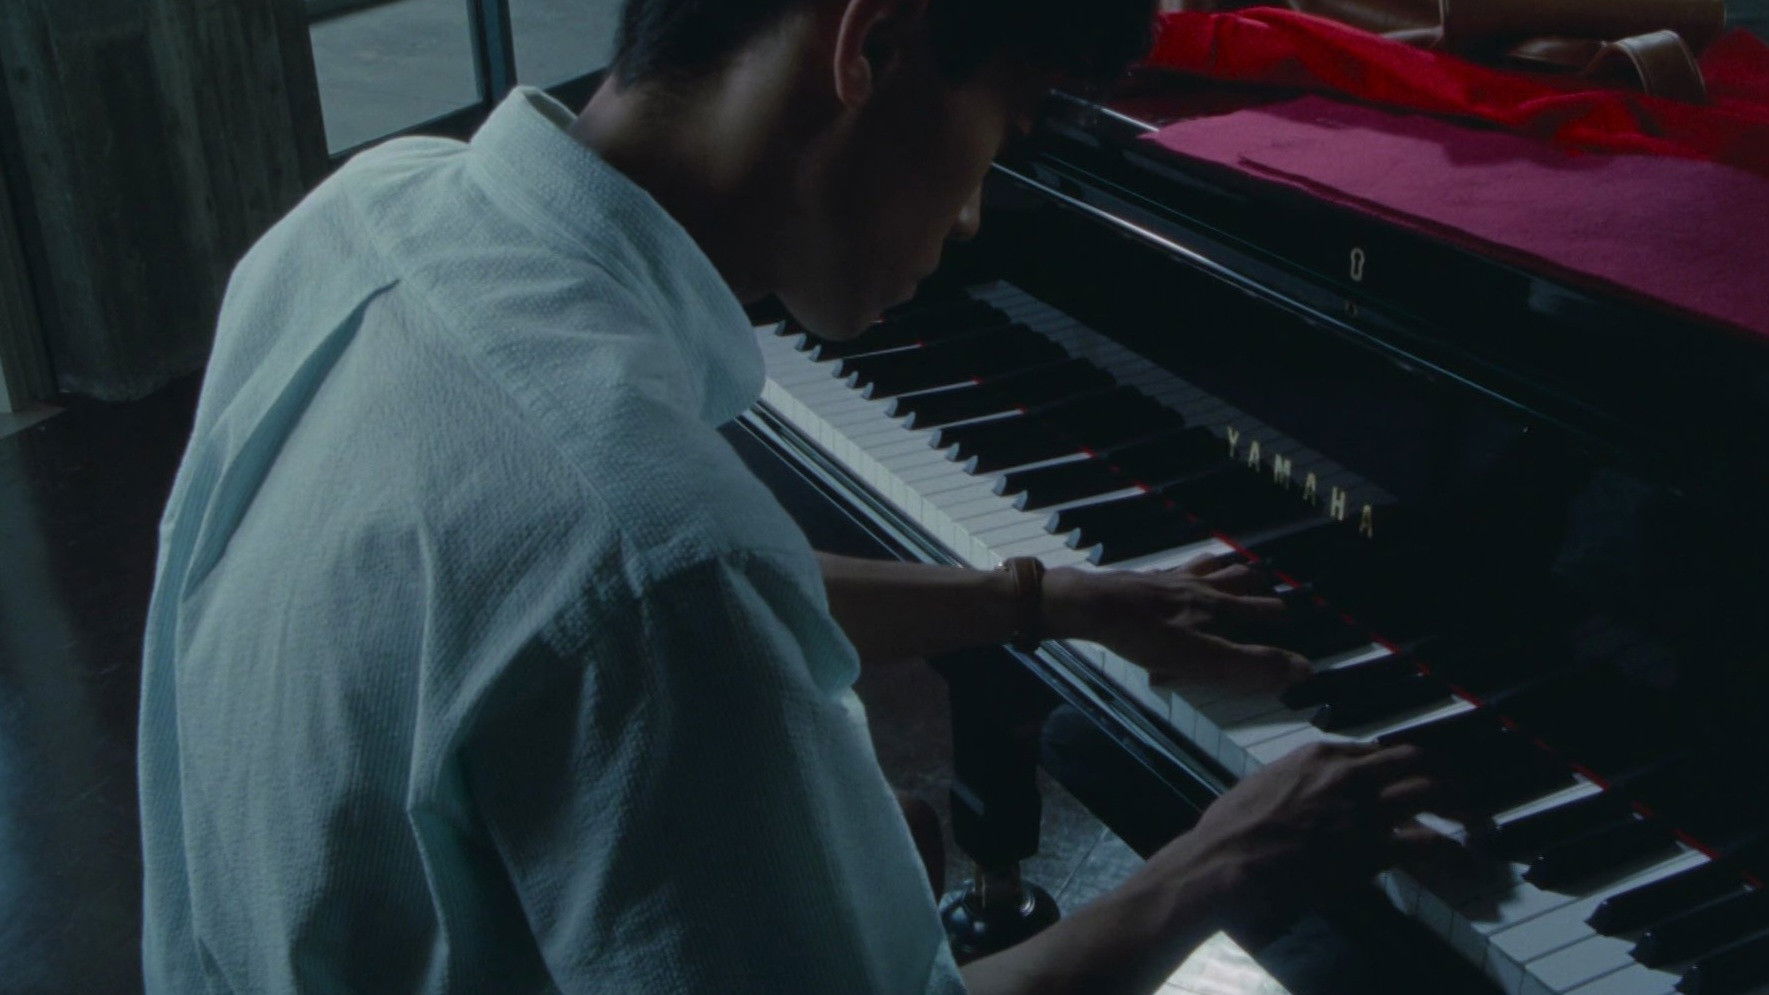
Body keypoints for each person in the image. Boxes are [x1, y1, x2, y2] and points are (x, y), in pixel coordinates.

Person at [137, 0, 1448, 991]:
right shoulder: (648, 550)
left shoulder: (357, 217)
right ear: (867, 46)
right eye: (1007, 126)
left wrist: (1047, 599)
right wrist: (1218, 867)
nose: (974, 216)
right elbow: (645, 581)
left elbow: (557, 612)